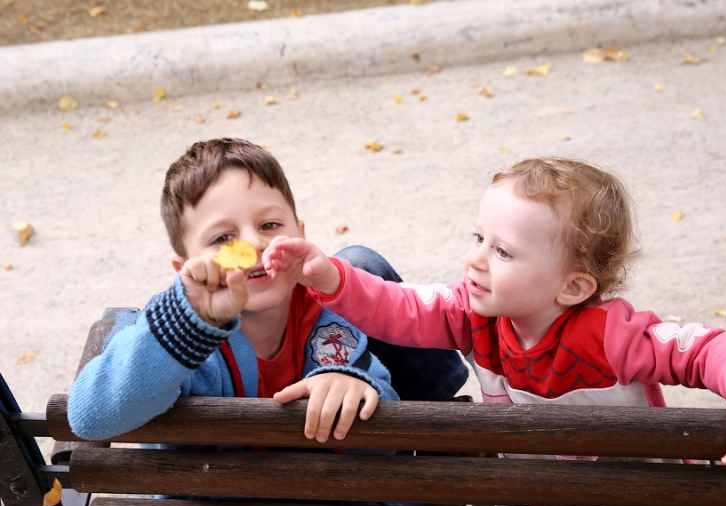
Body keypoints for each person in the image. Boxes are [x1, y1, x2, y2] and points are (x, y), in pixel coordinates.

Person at [264, 156, 726, 472]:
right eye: (479, 238)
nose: (474, 258)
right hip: (540, 500)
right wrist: (331, 277)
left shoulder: (610, 333)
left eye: (502, 251)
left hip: (642, 502)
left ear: (573, 286)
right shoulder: (471, 314)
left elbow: (702, 350)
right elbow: (396, 308)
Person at [67, 138, 467, 444]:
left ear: (302, 235)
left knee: (361, 263)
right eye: (223, 238)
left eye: (270, 226)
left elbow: (383, 444)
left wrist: (354, 385)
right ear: (183, 267)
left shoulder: (332, 321)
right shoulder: (172, 338)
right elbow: (89, 419)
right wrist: (189, 322)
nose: (253, 245)